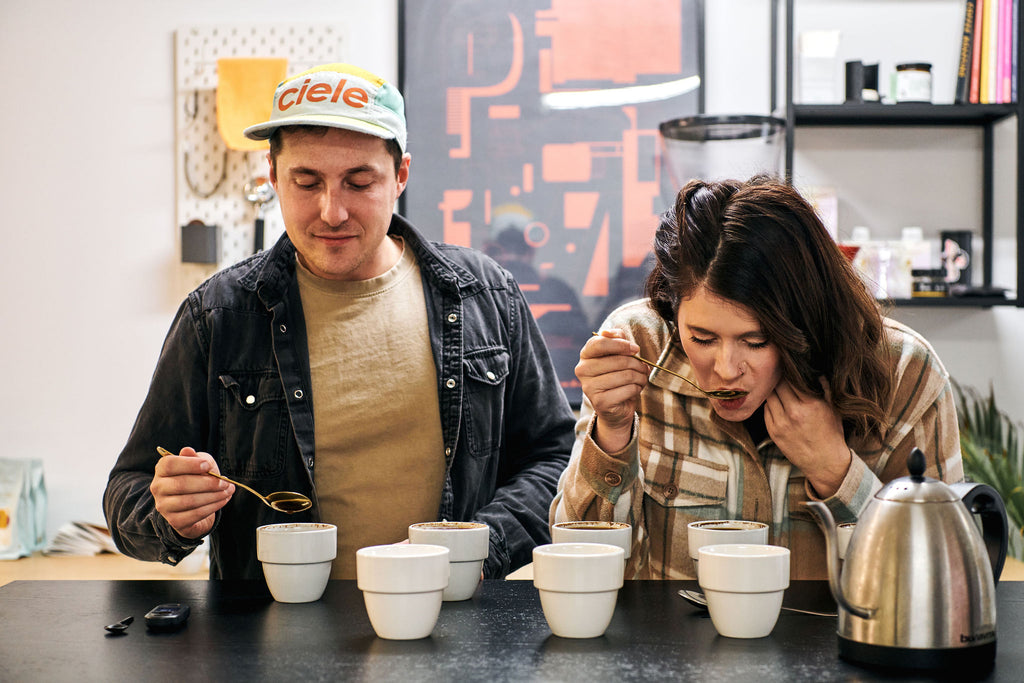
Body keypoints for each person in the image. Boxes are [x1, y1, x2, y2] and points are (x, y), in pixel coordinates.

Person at [104, 63, 575, 581]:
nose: (332, 211)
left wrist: (478, 550)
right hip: (270, 642)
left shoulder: (485, 296)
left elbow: (554, 459)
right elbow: (128, 492)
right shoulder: (218, 316)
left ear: (400, 176)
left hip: (455, 628)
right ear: (273, 176)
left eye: (358, 182)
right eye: (307, 182)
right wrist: (169, 514)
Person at [551, 175, 963, 580]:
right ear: (673, 309)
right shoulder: (637, 348)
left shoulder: (905, 372)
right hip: (671, 647)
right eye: (703, 337)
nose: (727, 368)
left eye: (757, 340)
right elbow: (573, 564)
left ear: (805, 319)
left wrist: (835, 470)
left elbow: (944, 579)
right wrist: (612, 433)